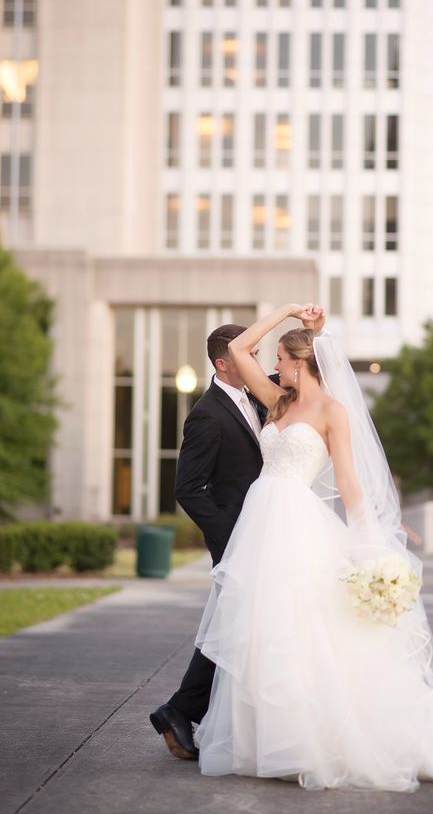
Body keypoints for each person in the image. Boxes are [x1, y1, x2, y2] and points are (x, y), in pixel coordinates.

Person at [193, 303, 433, 791]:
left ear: (302, 362)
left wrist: (369, 543)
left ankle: (315, 742)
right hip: (261, 524)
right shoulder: (278, 402)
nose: (275, 366)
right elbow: (239, 348)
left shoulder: (332, 412)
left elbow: (349, 484)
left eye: (284, 360)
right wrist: (287, 312)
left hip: (296, 526)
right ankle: (269, 741)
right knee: (266, 628)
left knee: (305, 632)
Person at [149, 317, 316, 759]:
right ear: (224, 364)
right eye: (249, 355)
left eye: (262, 354)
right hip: (240, 537)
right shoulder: (206, 413)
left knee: (241, 626)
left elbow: (308, 371)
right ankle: (183, 711)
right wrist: (232, 533)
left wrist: (312, 333)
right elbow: (188, 487)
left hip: (273, 531)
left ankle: (182, 711)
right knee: (237, 626)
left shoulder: (254, 399)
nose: (258, 361)